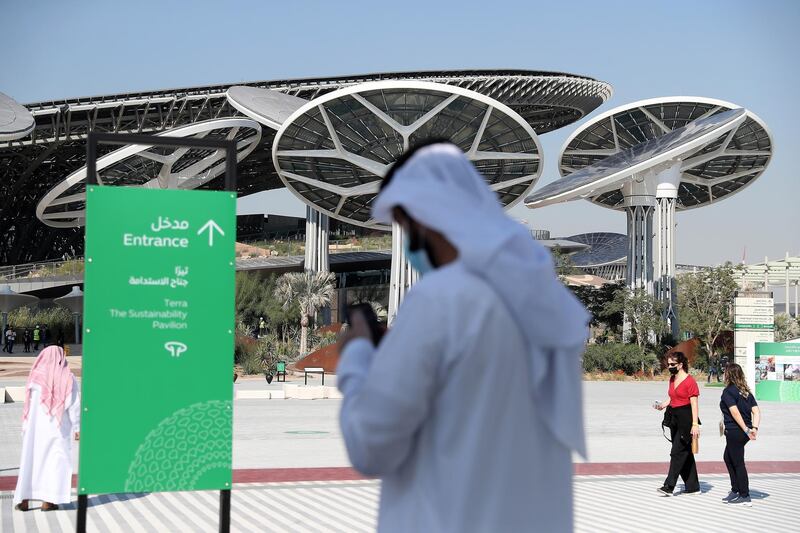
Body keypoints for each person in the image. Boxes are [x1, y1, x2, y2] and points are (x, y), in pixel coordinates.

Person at [337, 141, 589, 532]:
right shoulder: (543, 302)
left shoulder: (441, 298)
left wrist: (357, 357)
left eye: (404, 226)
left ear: (421, 219)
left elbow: (371, 447)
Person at [13, 345, 80, 511]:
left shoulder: (35, 377)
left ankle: (24, 499)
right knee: (55, 463)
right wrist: (78, 427)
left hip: (34, 431)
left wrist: (25, 425)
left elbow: (27, 404)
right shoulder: (67, 378)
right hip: (57, 430)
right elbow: (75, 405)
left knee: (30, 461)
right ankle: (48, 501)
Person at [654, 351, 701, 496]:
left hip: (686, 418)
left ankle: (669, 486)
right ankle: (693, 487)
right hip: (674, 418)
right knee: (685, 452)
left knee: (676, 452)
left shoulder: (690, 381)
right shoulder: (672, 379)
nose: (669, 367)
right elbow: (672, 397)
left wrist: (695, 424)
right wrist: (663, 405)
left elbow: (694, 404)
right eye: (668, 364)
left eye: (672, 364)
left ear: (680, 365)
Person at [720, 363, 760, 507]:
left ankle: (744, 495)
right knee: (728, 457)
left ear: (728, 375)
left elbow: (734, 412)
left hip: (736, 431)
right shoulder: (745, 392)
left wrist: (746, 430)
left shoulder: (728, 392)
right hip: (742, 431)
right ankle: (735, 489)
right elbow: (756, 411)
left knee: (737, 462)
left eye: (725, 372)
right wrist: (754, 427)